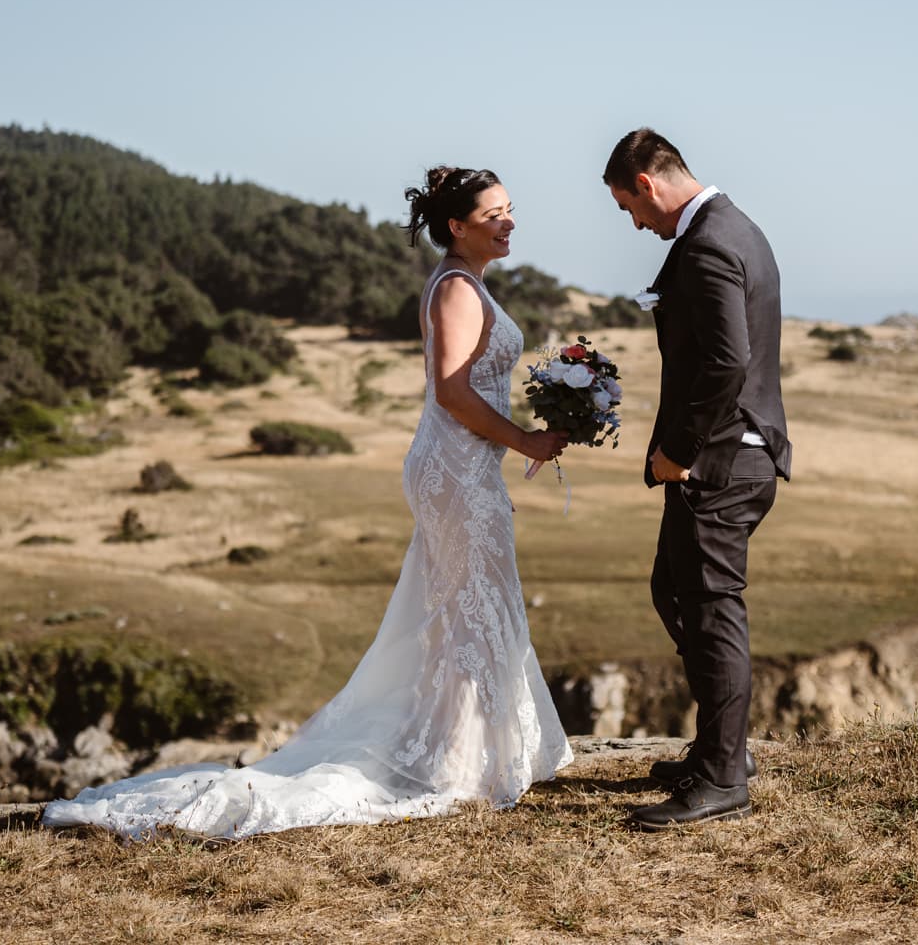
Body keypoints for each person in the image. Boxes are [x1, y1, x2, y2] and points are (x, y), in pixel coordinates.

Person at [42, 167, 574, 838]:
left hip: (464, 466)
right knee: (471, 604)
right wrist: (525, 439)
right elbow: (453, 393)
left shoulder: (466, 284)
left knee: (468, 606)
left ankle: (467, 754)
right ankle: (454, 763)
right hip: (457, 471)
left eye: (510, 210)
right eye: (494, 214)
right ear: (457, 226)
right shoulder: (458, 290)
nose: (509, 222)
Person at [603, 128, 791, 830]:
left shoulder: (709, 242)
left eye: (629, 208)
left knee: (712, 610)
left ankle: (721, 778)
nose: (635, 223)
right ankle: (724, 747)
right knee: (674, 589)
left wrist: (677, 450)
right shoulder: (735, 224)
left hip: (719, 456)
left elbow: (725, 363)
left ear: (647, 185)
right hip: (730, 451)